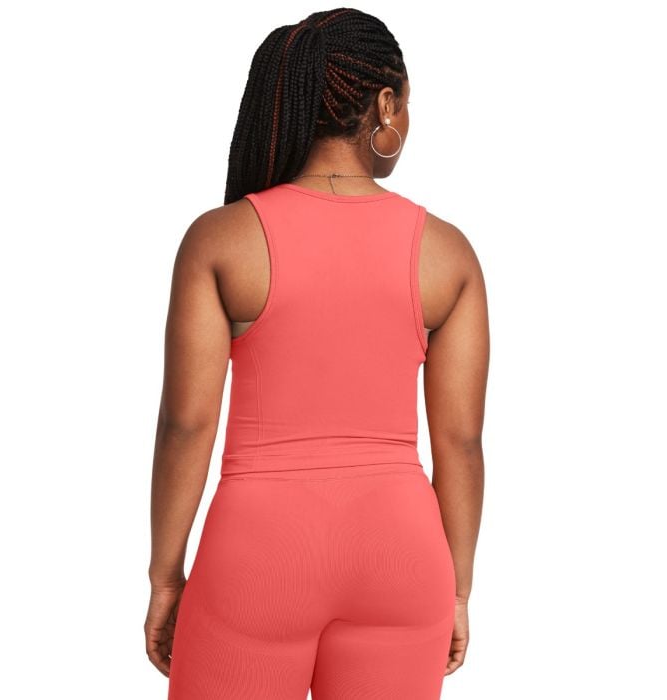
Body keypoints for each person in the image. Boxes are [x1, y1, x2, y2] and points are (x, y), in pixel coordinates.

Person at [145, 8, 488, 699]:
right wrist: (456, 590)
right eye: (407, 101)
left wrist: (165, 577)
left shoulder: (222, 240)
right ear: (384, 105)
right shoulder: (447, 254)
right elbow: (460, 442)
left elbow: (187, 424)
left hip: (258, 556)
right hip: (401, 557)